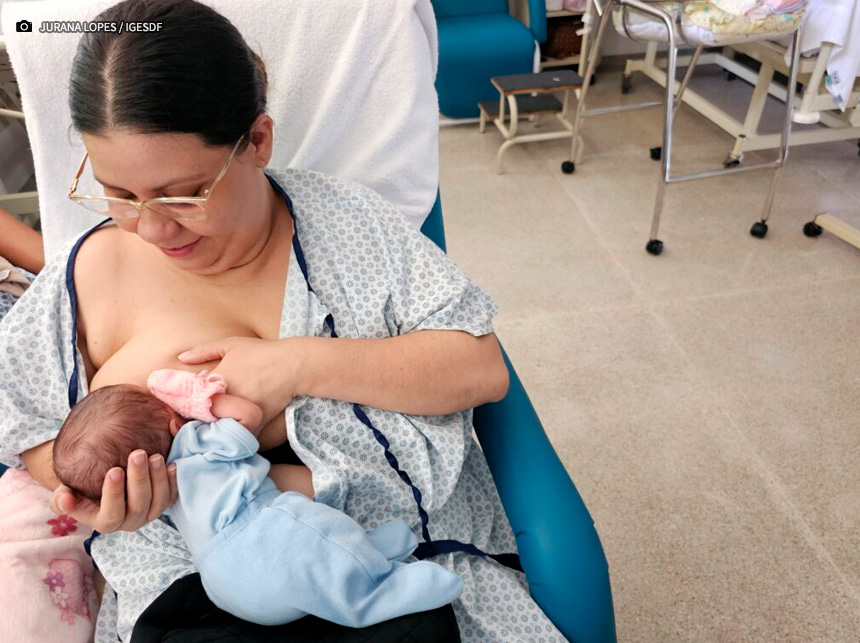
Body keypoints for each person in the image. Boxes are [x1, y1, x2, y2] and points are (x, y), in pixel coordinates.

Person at [0, 1, 568, 642]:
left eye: (184, 194)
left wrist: (297, 362)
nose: (153, 228)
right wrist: (112, 491)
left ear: (258, 142)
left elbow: (477, 367)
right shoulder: (88, 274)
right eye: (121, 194)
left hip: (369, 564)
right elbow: (26, 429)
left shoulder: (348, 227)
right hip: (188, 589)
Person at [52, 370, 464, 628]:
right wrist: (202, 400)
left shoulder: (167, 495)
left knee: (321, 554)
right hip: (263, 536)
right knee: (318, 529)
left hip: (227, 588)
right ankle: (386, 590)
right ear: (172, 419)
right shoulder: (197, 442)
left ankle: (368, 550)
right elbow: (247, 418)